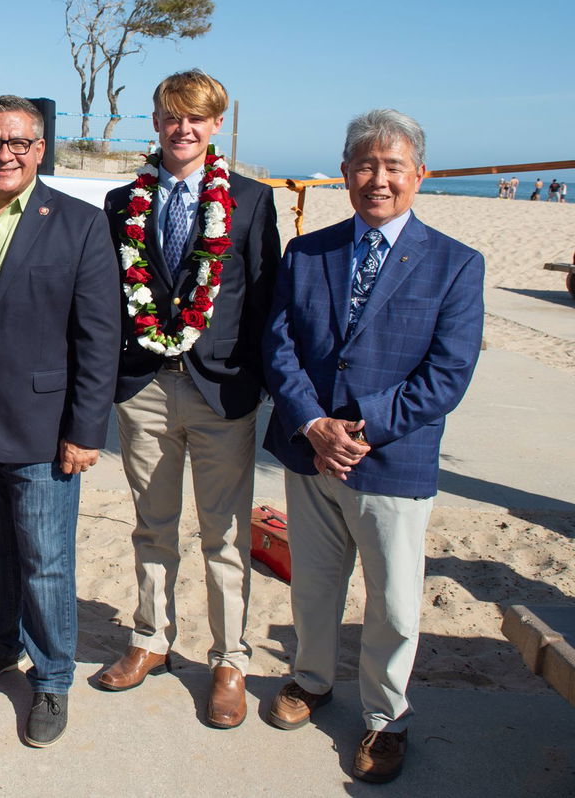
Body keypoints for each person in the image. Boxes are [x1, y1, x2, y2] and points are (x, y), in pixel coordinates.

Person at [262, 109, 484, 783]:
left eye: (392, 166)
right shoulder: (308, 252)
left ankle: (386, 717)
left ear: (420, 175)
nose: (377, 180)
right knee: (316, 586)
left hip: (391, 457)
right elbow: (279, 345)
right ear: (346, 171)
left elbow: (448, 373)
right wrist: (312, 423)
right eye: (364, 165)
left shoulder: (455, 264)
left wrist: (358, 428)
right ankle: (312, 679)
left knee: (392, 601)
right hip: (310, 453)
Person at [97, 69, 280, 729]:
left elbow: (264, 299)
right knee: (153, 526)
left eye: (197, 118)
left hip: (221, 392)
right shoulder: (122, 203)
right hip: (144, 389)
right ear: (157, 120)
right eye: (173, 116)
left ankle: (230, 657)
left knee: (225, 535)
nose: (184, 128)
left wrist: (256, 385)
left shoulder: (253, 202)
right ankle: (151, 639)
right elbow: (111, 300)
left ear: (215, 125)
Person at [0, 95, 120, 747]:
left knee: (45, 559)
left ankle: (52, 679)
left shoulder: (78, 223)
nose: (3, 153)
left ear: (41, 150)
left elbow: (100, 337)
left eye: (17, 142)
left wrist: (85, 430)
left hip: (46, 428)